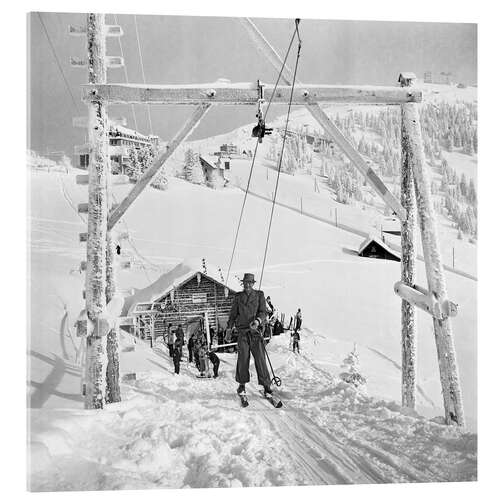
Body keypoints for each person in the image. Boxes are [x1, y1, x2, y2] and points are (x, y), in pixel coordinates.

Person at [227, 272, 272, 397]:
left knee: (260, 359)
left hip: (256, 333)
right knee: (243, 359)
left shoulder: (259, 295)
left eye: (250, 283)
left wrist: (257, 321)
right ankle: (242, 385)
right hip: (242, 333)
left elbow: (263, 312)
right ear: (243, 283)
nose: (247, 285)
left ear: (253, 284)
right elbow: (233, 315)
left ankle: (266, 386)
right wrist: (229, 329)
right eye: (245, 282)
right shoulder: (238, 297)